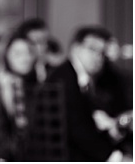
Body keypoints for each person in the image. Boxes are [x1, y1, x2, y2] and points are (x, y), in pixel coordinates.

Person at [46, 25, 132, 161]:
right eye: (92, 49)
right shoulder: (63, 79)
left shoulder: (90, 79)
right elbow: (77, 130)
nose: (98, 57)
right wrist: (115, 157)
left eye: (102, 52)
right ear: (75, 48)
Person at [0, 32, 38, 161]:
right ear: (5, 56)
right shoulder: (6, 82)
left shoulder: (29, 84)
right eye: (17, 54)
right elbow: (21, 126)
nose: (25, 58)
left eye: (29, 52)